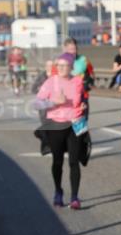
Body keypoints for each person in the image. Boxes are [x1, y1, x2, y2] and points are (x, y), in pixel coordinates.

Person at [33, 53, 87, 209]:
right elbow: (36, 104)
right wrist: (53, 102)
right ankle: (58, 191)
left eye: (65, 65)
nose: (61, 68)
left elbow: (82, 99)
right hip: (56, 125)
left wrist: (83, 106)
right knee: (57, 161)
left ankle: (75, 197)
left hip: (75, 124)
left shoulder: (78, 81)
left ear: (71, 67)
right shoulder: (51, 82)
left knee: (74, 161)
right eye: (59, 65)